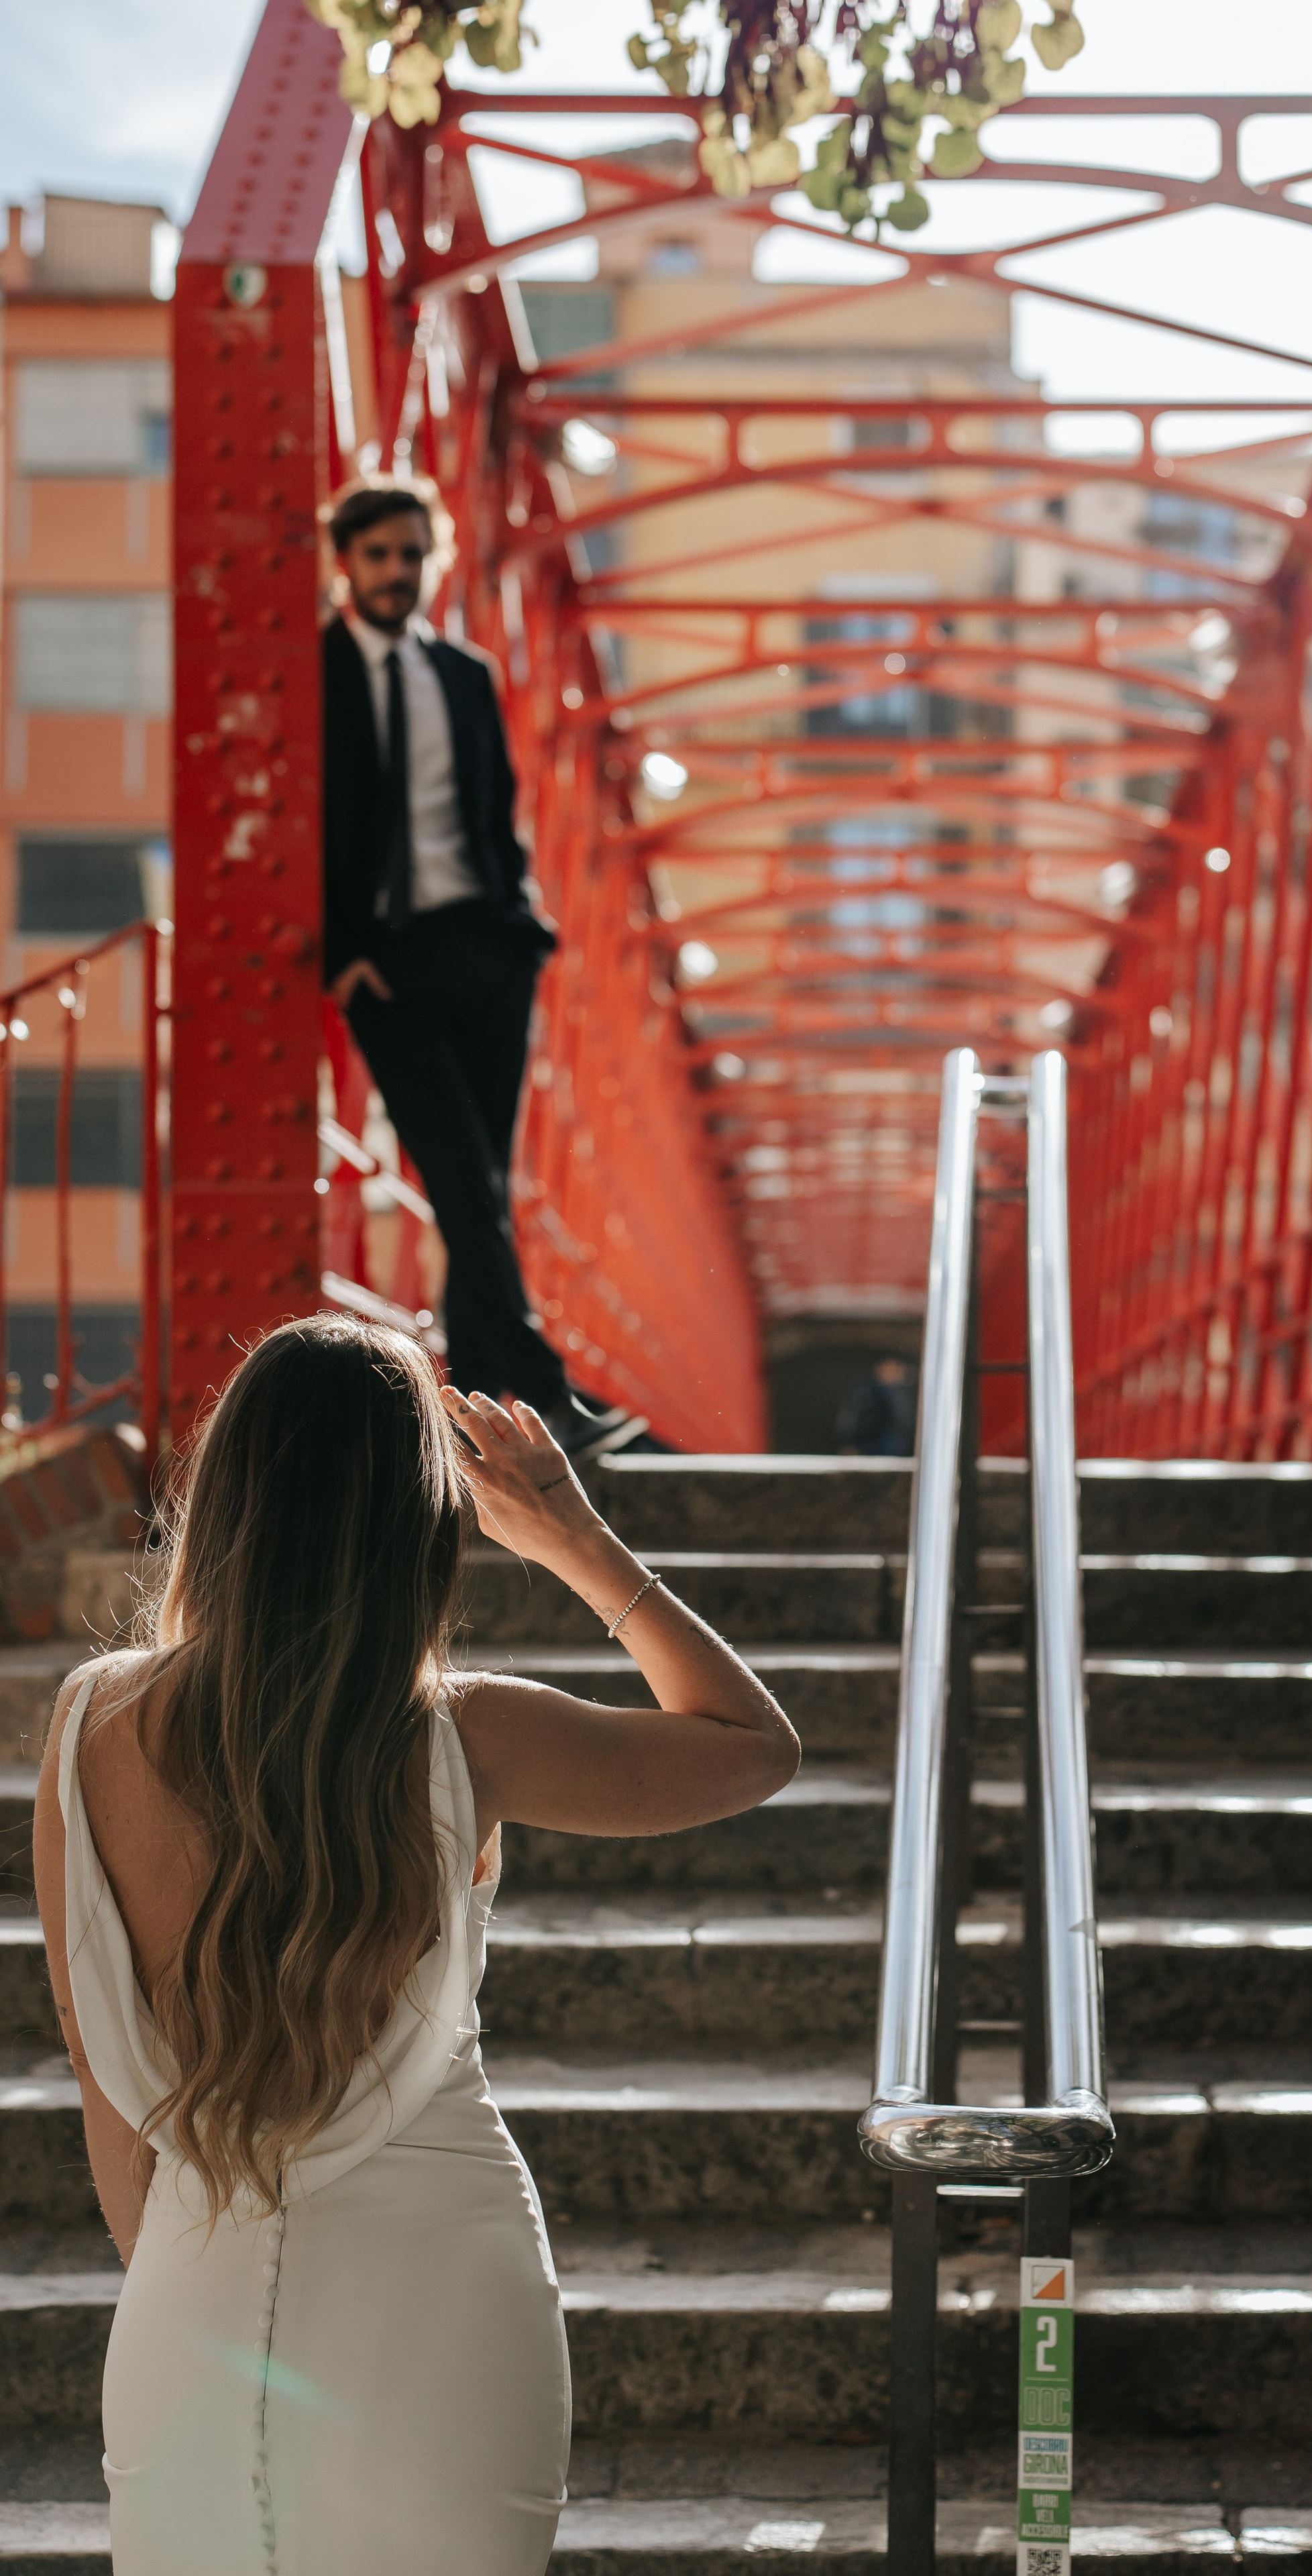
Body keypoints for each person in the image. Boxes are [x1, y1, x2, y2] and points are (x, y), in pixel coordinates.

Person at [33, 1315, 798, 2574]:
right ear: (419, 1522)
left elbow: (97, 2075)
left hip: (191, 2297)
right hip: (449, 2298)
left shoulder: (88, 1723)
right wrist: (577, 1541)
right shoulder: (469, 1735)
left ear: (223, 1493)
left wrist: (179, 2274)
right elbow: (754, 1747)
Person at [322, 479, 641, 1461]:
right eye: (376, 555)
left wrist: (520, 934)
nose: (394, 573)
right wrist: (341, 955)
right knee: (459, 1176)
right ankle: (544, 1399)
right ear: (346, 562)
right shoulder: (312, 671)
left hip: (484, 953)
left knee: (483, 1188)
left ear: (433, 560)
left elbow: (493, 814)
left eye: (411, 555)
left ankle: (467, 1412)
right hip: (390, 967)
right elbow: (302, 816)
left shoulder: (462, 673)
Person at [836, 1353, 917, 1456]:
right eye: (887, 1369)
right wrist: (848, 1443)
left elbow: (905, 1422)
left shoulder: (901, 1393)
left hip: (892, 1449)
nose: (890, 1373)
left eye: (894, 1369)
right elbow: (851, 1417)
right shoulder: (864, 1390)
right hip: (865, 1445)